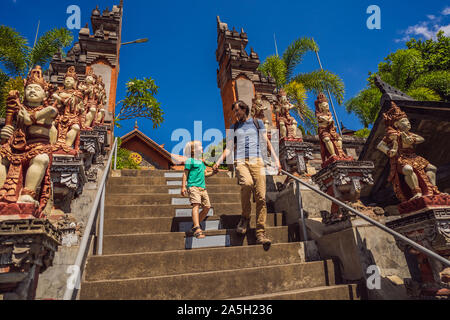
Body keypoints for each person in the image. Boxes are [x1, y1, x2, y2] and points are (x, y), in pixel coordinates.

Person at [213, 100, 281, 247]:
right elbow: (230, 148)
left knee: (261, 197)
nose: (236, 114)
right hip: (241, 161)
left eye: (238, 110)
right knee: (247, 183)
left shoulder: (257, 123)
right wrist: (218, 161)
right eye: (235, 111)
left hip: (257, 160)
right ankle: (245, 217)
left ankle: (260, 233)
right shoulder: (234, 127)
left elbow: (266, 142)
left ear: (245, 110)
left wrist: (276, 160)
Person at [181, 141, 217, 239]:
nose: (202, 147)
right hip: (193, 187)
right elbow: (185, 174)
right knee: (196, 205)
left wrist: (213, 172)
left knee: (207, 207)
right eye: (200, 146)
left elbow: (205, 174)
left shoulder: (201, 162)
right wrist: (183, 186)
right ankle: (197, 228)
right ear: (193, 150)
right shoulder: (190, 161)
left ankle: (194, 225)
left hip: (203, 188)